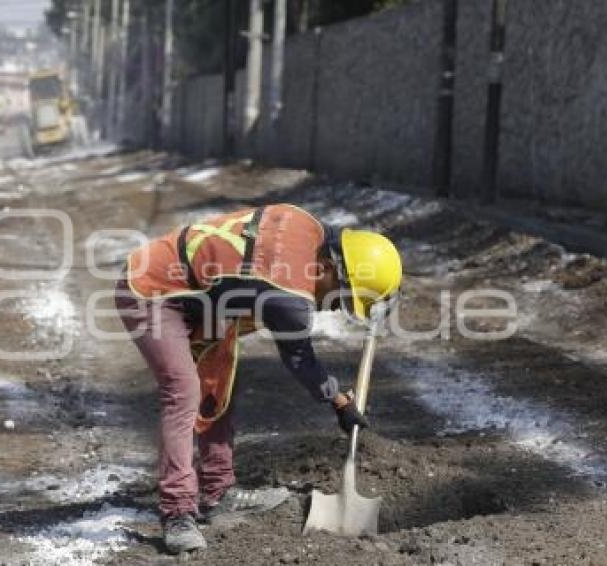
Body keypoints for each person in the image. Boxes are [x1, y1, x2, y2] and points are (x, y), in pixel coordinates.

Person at [115, 203, 402, 554]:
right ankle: (178, 513)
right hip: (151, 291)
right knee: (183, 392)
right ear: (327, 267)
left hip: (204, 298)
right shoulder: (289, 297)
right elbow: (300, 360)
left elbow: (339, 240)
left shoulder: (307, 223)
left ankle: (219, 491)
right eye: (340, 296)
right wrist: (339, 402)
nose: (333, 307)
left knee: (218, 384)